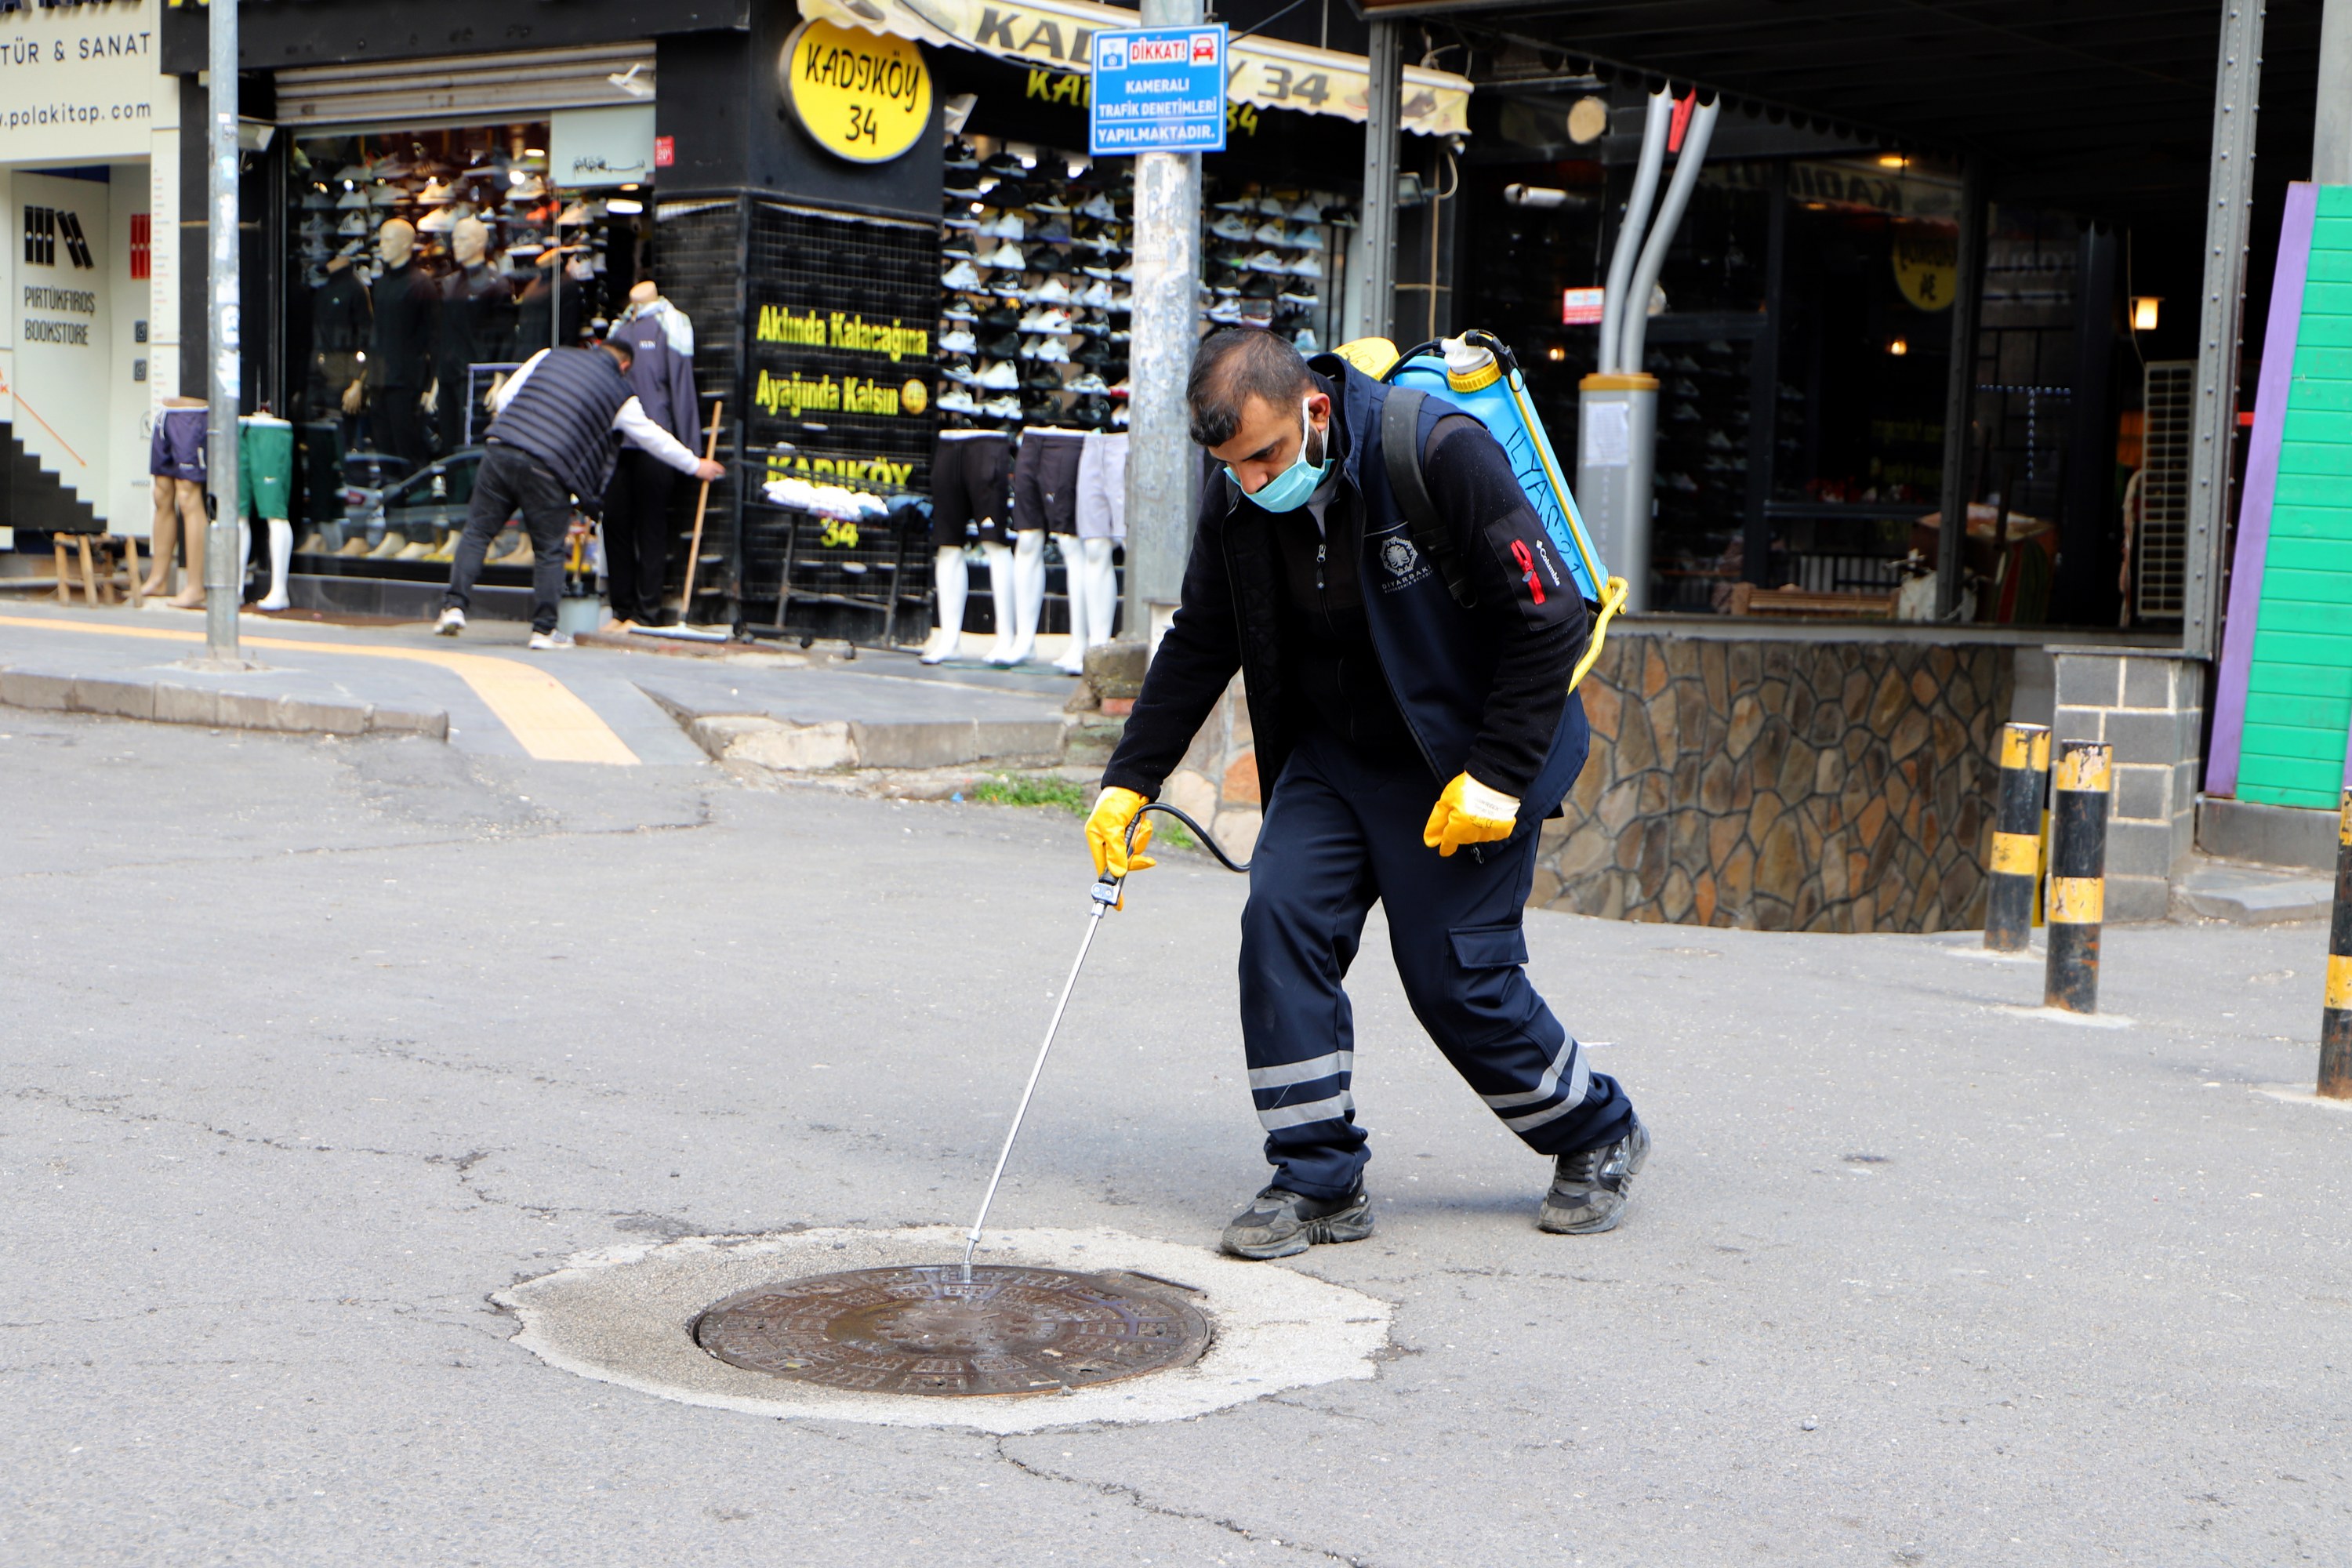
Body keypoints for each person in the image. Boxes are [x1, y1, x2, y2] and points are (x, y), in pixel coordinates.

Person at [1086, 329, 1646, 1260]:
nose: (1255, 481)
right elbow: (1202, 637)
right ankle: (1318, 1177)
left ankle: (1597, 1129)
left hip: (1461, 757)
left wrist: (1498, 776)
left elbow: (1548, 618)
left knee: (1454, 981)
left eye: (1268, 456)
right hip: (1333, 755)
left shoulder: (1435, 448)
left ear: (1314, 408)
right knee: (1280, 921)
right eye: (1235, 467)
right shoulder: (1236, 495)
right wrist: (1126, 782)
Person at [434, 337, 721, 649]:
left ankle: (454, 608)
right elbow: (653, 437)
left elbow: (504, 398)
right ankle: (543, 631)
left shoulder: (548, 355)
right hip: (550, 469)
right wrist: (696, 465)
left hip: (502, 450)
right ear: (624, 366)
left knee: (477, 532)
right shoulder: (621, 395)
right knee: (549, 550)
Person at [601, 279, 702, 632]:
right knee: (614, 523)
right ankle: (621, 610)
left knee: (651, 527)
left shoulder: (671, 322)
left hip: (657, 441)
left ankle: (646, 613)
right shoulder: (618, 327)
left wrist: (689, 449)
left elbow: (682, 385)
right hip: (618, 443)